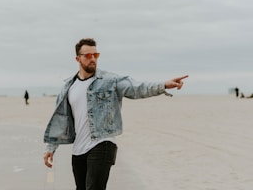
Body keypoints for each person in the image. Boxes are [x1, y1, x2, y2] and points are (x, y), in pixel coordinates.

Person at [43, 38, 188, 190]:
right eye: (88, 56)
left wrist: (163, 85)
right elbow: (61, 120)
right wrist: (50, 148)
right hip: (79, 149)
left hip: (102, 144)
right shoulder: (69, 87)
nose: (93, 59)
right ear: (77, 58)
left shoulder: (110, 80)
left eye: (95, 55)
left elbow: (137, 88)